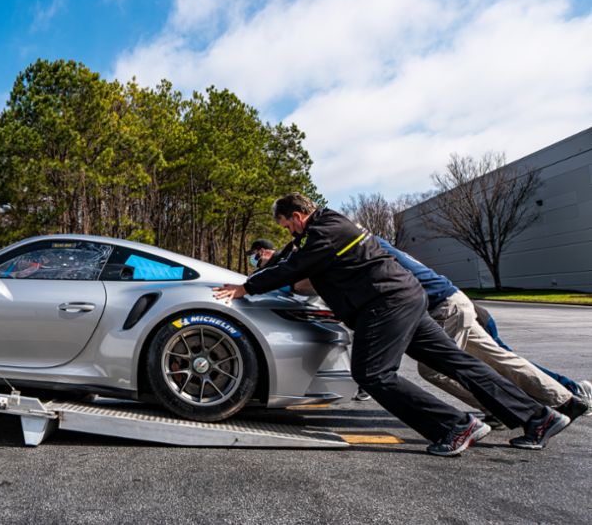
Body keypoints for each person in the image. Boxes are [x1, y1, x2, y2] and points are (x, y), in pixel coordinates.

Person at [214, 193, 570, 456]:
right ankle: (538, 417)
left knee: (373, 375)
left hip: (386, 304)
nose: (287, 231)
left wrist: (246, 287)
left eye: (286, 224)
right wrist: (259, 274)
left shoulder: (327, 229)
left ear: (297, 215)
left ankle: (456, 426)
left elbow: (294, 267)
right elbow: (291, 260)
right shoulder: (328, 228)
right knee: (458, 364)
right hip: (405, 299)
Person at [372, 236, 588, 423]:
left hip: (442, 307)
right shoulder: (372, 244)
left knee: (433, 370)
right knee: (497, 357)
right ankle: (567, 400)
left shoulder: (364, 251)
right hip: (452, 298)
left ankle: (507, 410)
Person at [251, 238, 370, 401]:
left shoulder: (284, 258)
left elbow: (302, 280)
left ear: (261, 251)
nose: (252, 260)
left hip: (321, 302)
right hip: (317, 303)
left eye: (253, 255)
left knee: (348, 340)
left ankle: (362, 382)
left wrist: (288, 286)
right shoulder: (277, 262)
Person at [473, 303, 592, 411]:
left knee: (508, 365)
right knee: (502, 365)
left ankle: (574, 390)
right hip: (473, 321)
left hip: (476, 323)